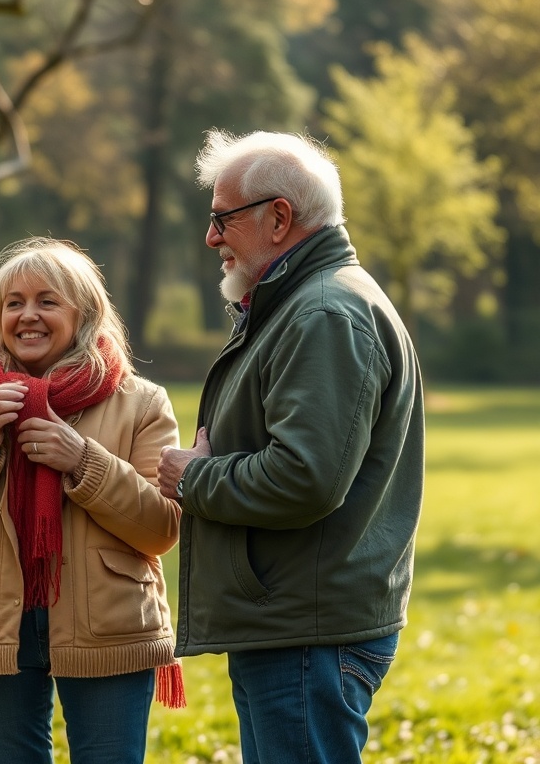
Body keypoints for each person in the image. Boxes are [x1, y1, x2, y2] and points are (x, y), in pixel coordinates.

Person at [157, 129, 425, 763]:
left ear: (279, 218)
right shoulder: (304, 303)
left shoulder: (323, 314)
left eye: (222, 217)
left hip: (308, 629)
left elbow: (302, 478)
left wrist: (194, 478)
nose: (211, 236)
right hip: (294, 620)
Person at [0, 237, 185, 764]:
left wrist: (83, 460)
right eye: (12, 303)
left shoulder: (141, 401)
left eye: (46, 301)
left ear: (83, 313)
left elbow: (162, 528)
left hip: (109, 625)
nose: (27, 316)